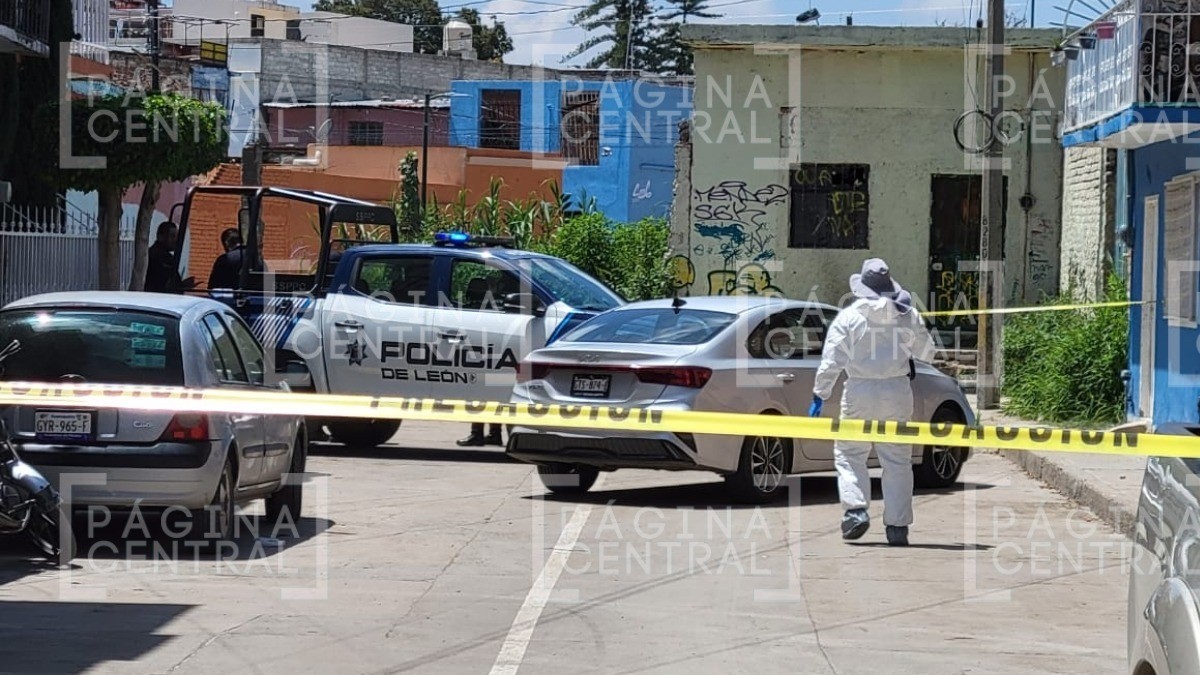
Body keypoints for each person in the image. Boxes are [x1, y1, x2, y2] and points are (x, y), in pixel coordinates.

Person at [810, 259, 937, 547]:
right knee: (897, 460)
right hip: (897, 391)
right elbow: (928, 353)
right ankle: (897, 527)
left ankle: (855, 511)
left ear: (862, 288)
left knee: (850, 453)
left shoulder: (848, 318)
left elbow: (832, 362)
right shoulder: (907, 315)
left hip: (859, 390)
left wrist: (820, 393)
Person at [145, 222, 195, 293]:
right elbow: (164, 284)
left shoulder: (155, 253)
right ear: (160, 237)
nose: (176, 240)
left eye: (176, 237)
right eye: (172, 236)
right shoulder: (161, 257)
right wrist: (182, 286)